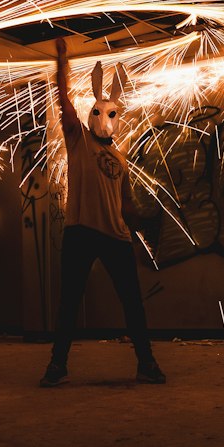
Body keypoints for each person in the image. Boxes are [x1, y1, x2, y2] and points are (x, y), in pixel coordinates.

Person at [40, 37, 166, 387]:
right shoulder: (78, 140)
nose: (103, 119)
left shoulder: (121, 158)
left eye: (110, 113)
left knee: (132, 303)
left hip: (116, 236)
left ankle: (146, 363)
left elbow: (124, 203)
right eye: (98, 111)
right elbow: (63, 101)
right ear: (90, 113)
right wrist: (62, 62)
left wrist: (143, 223)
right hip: (81, 231)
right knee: (69, 303)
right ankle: (57, 365)